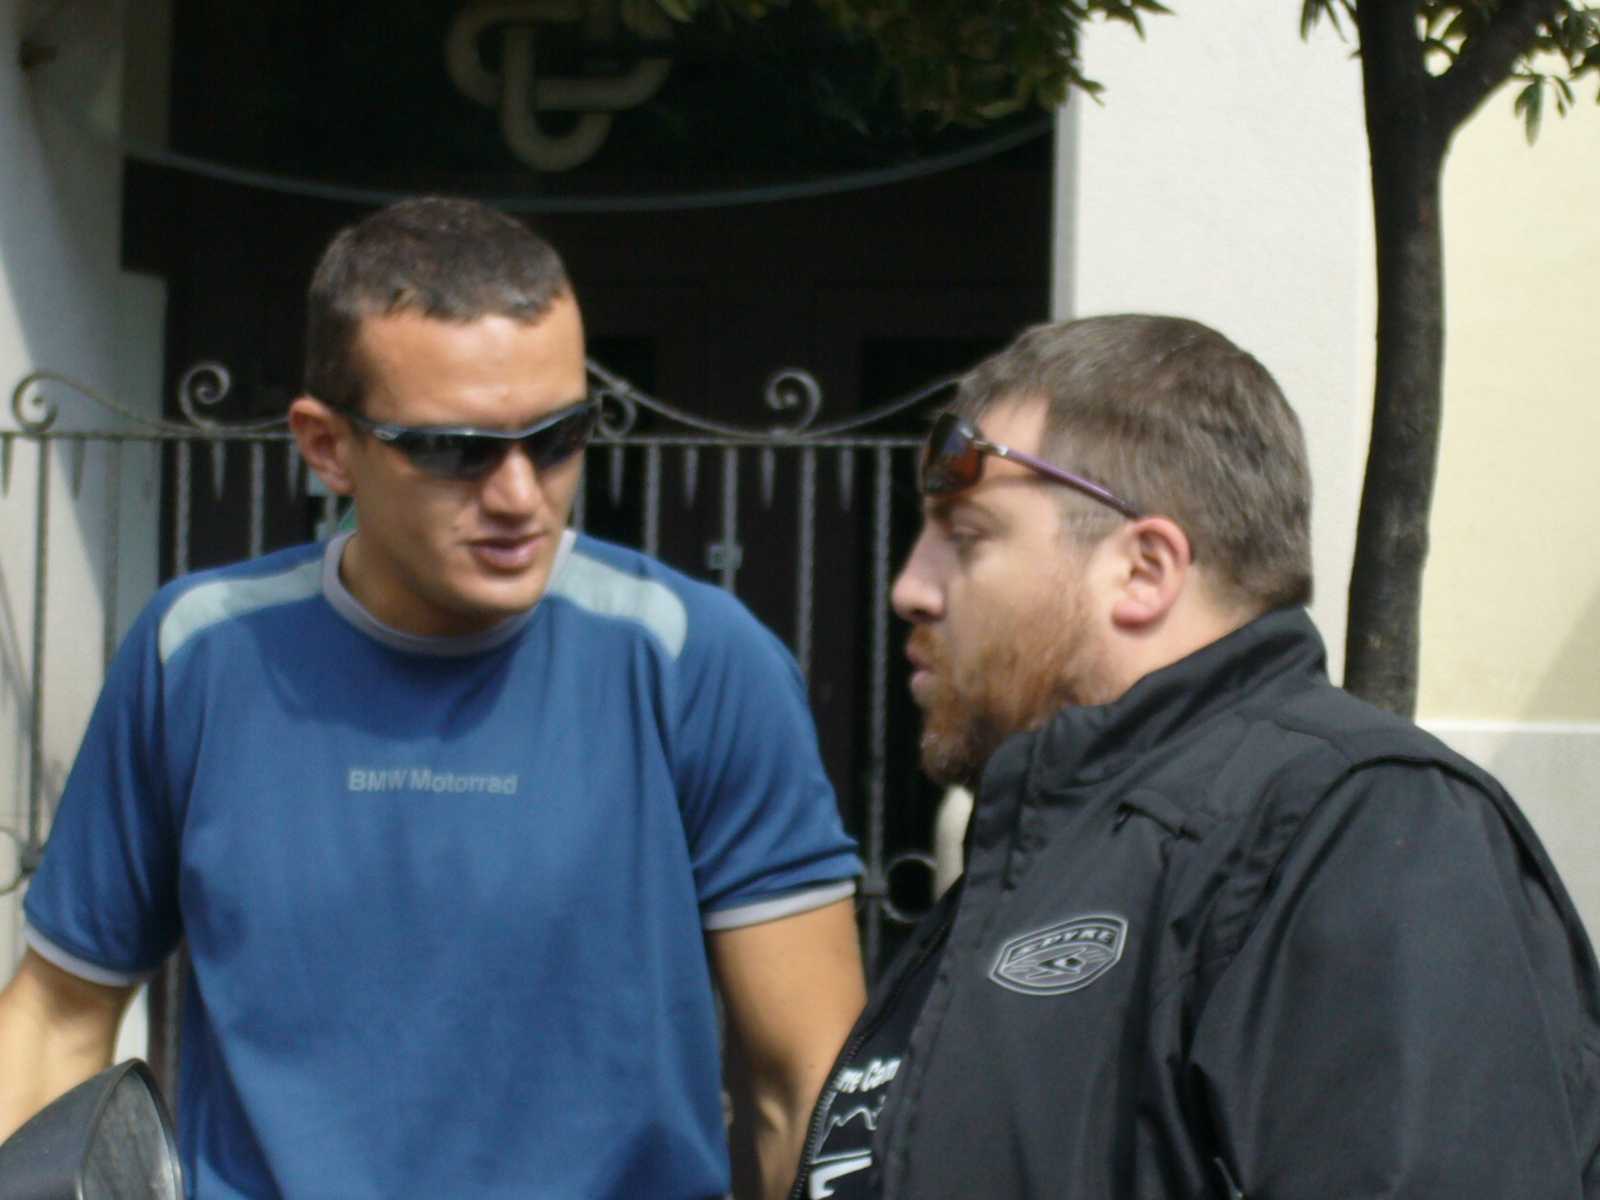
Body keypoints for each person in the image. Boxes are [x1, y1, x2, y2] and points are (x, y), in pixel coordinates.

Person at [0, 196, 866, 1199]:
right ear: (326, 445)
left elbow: (812, 1090)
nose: (519, 495)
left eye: (559, 437)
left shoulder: (698, 661)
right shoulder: (195, 654)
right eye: (459, 450)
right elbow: (56, 1022)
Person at [791, 314, 1600, 1199]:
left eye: (968, 535)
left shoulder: (1358, 827)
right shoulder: (1040, 853)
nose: (911, 587)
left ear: (1144, 570)